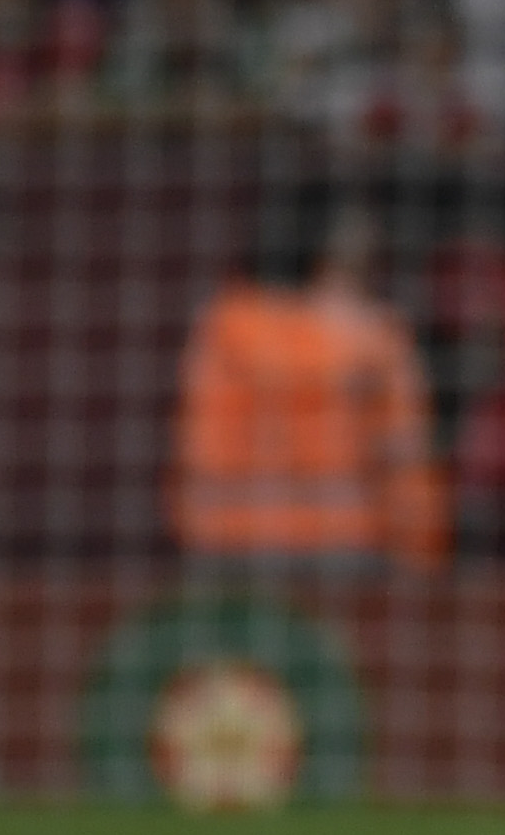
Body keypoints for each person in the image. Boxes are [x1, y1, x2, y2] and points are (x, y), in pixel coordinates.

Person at [167, 190, 448, 575]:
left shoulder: (223, 325)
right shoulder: (374, 338)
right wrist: (422, 555)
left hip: (225, 546)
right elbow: (403, 456)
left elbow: (197, 443)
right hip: (344, 549)